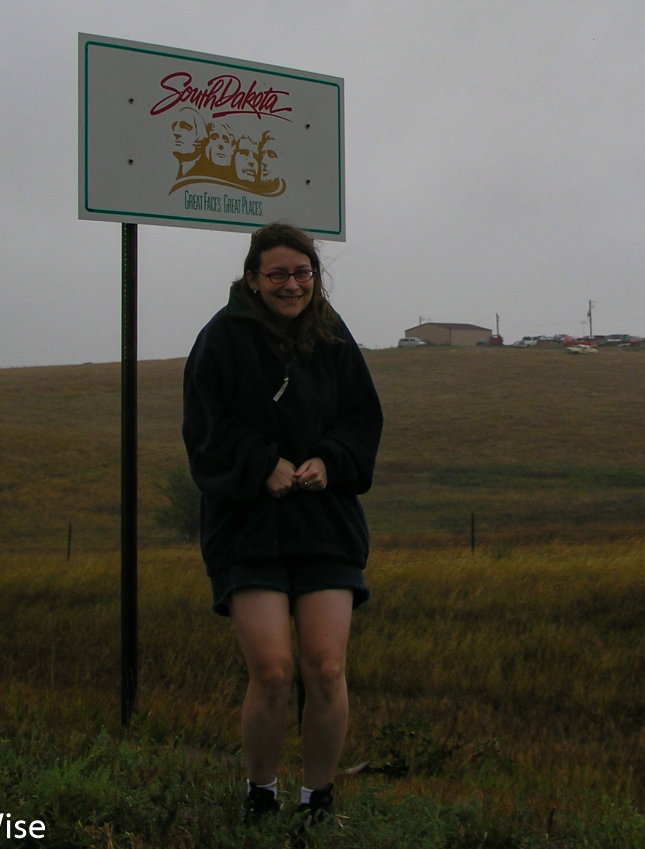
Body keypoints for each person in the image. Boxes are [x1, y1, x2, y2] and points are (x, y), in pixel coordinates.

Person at [182, 222, 383, 831]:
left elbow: (361, 418)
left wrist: (331, 460)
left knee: (325, 668)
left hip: (324, 522)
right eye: (277, 274)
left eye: (302, 273)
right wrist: (259, 465)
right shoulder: (220, 339)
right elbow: (204, 429)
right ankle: (261, 795)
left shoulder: (333, 336)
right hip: (248, 527)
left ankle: (316, 802)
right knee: (272, 671)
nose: (292, 284)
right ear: (252, 278)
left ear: (315, 278)